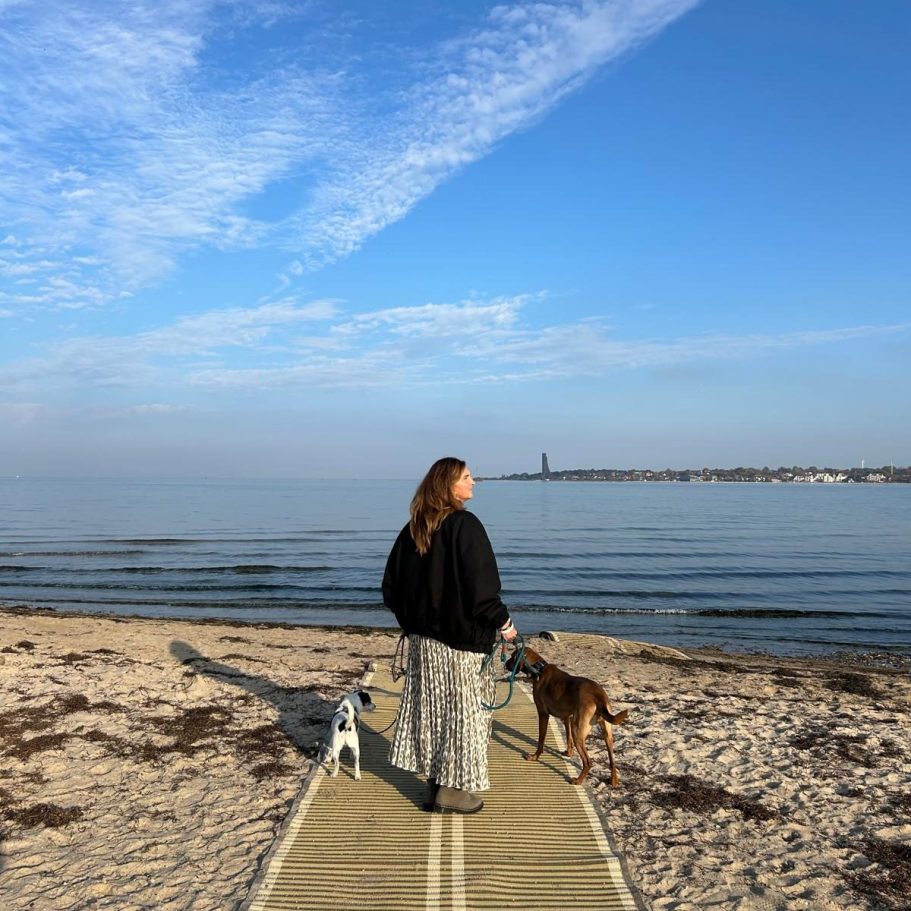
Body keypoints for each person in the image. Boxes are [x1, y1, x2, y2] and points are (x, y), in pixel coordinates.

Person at [382, 457, 518, 814]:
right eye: (467, 477)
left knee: (433, 713)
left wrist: (412, 623)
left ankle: (435, 785)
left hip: (423, 645)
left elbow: (390, 590)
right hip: (463, 644)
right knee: (466, 715)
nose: (474, 482)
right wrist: (505, 625)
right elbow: (482, 590)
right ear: (449, 485)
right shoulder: (465, 525)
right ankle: (454, 791)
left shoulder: (414, 528)